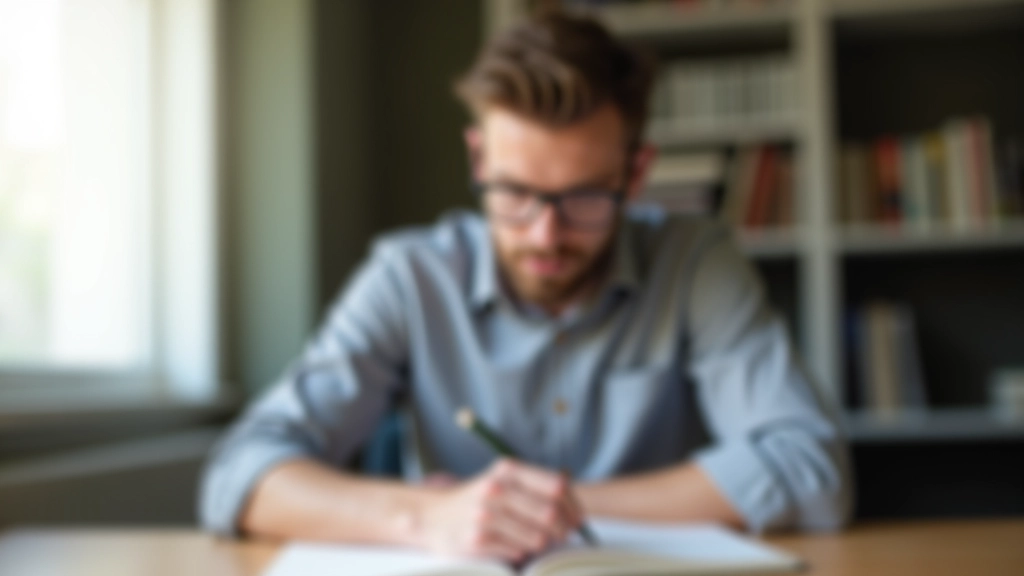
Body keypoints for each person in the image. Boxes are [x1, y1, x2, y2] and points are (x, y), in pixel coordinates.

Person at [199, 10, 851, 562]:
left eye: (585, 197)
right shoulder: (410, 277)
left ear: (638, 170)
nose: (544, 235)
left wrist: (545, 510)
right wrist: (428, 518)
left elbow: (813, 470)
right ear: (479, 158)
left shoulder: (695, 263)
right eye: (513, 192)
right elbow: (240, 473)